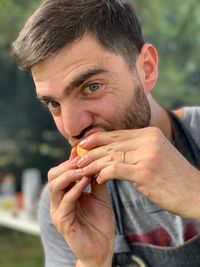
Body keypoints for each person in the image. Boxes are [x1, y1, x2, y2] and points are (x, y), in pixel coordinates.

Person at [12, 0, 200, 266]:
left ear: (146, 68)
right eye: (54, 103)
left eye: (91, 87)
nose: (72, 127)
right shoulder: (67, 205)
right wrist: (92, 261)